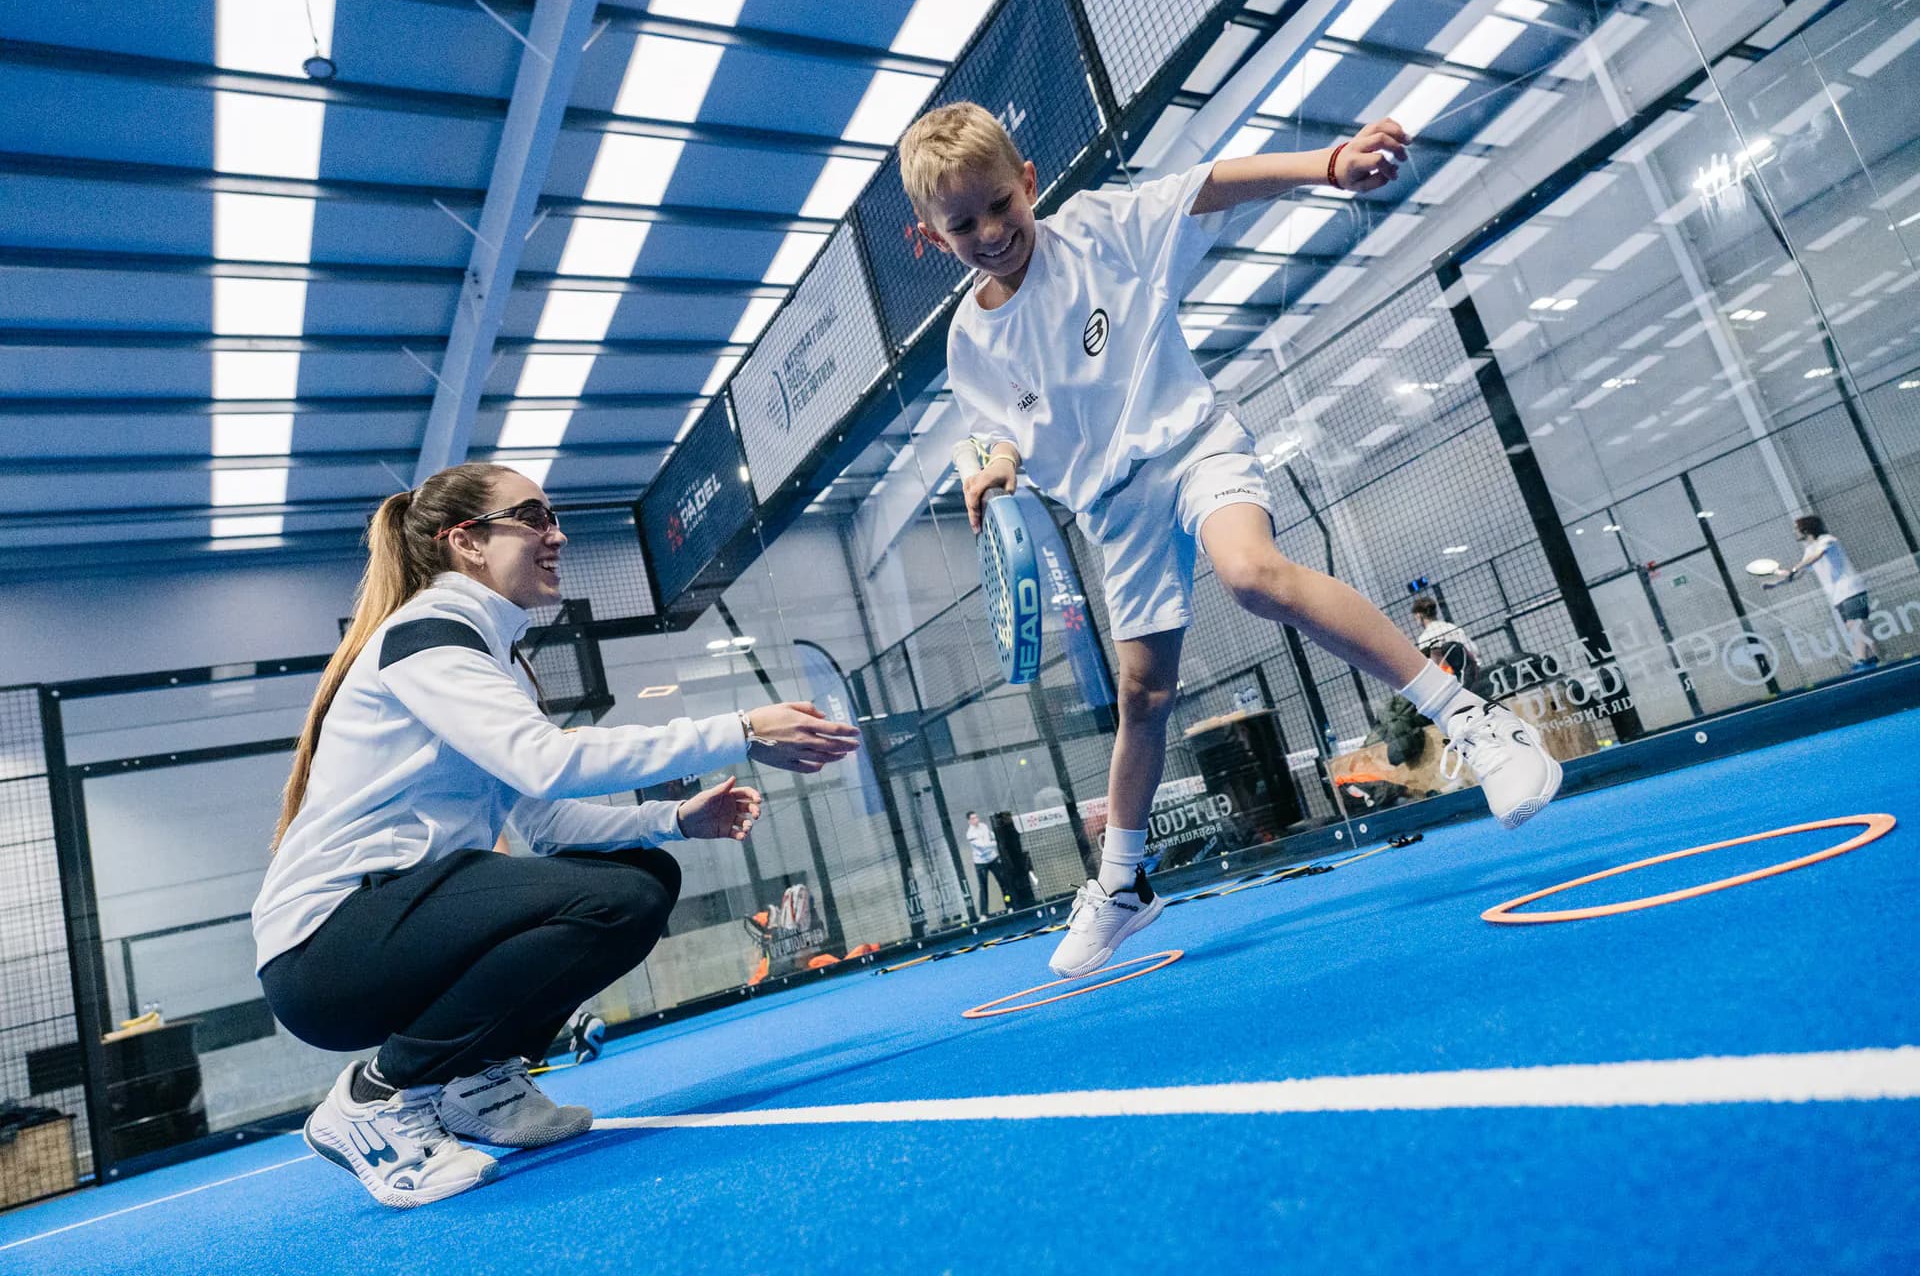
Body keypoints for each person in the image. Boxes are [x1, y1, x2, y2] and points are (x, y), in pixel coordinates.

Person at [898, 103, 1562, 979]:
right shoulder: (967, 341)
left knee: (1250, 572)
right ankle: (1125, 883)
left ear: (1028, 185)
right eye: (962, 225)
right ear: (930, 238)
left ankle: (1479, 724)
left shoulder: (1102, 230)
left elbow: (1209, 184)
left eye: (999, 207)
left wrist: (1328, 164)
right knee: (1143, 697)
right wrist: (991, 468)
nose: (988, 232)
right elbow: (996, 433)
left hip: (1191, 444)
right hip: (1111, 510)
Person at [251, 462, 861, 1208]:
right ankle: (377, 1097)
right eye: (533, 517)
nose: (557, 533)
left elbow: (541, 823)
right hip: (326, 951)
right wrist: (736, 728)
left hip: (388, 929)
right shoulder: (427, 635)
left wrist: (673, 820)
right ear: (466, 542)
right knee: (615, 899)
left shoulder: (487, 654)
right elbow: (545, 765)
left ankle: (477, 1080)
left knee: (644, 878)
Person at [1765, 514, 1879, 672]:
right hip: (1838, 596)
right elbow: (1797, 574)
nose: (1794, 532)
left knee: (1855, 626)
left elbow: (1816, 556)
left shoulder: (1827, 539)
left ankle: (1862, 660)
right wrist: (1776, 582)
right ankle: (1874, 659)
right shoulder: (1808, 551)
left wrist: (1794, 568)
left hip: (1852, 589)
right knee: (1854, 627)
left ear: (1806, 530)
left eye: (1796, 529)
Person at [1410, 594, 1479, 689]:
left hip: (1450, 682)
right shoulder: (1451, 627)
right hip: (1472, 673)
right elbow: (1474, 650)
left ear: (1419, 615)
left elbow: (1432, 666)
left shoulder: (1424, 638)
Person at [964, 810, 1014, 913]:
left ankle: (1010, 906)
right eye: (973, 819)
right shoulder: (970, 834)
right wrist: (995, 844)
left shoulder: (984, 826)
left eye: (976, 817)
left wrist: (994, 841)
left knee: (1003, 883)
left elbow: (992, 837)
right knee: (983, 888)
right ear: (969, 821)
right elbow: (983, 846)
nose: (976, 820)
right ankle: (984, 914)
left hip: (993, 859)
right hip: (981, 863)